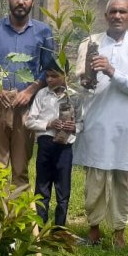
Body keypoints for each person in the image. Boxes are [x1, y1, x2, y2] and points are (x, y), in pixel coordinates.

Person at [73, 0, 128, 248]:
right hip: (97, 123)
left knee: (126, 181)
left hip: (127, 125)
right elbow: (82, 85)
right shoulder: (90, 43)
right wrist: (86, 79)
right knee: (95, 181)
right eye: (112, 11)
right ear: (105, 15)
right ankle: (93, 229)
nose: (117, 16)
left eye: (123, 12)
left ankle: (119, 232)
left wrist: (112, 71)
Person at [0, 0, 55, 192]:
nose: (21, 1)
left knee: (20, 167)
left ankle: (17, 221)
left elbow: (49, 70)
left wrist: (30, 91)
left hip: (25, 106)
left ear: (33, 0)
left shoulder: (43, 32)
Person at [24, 63, 80, 227]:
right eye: (47, 75)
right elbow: (29, 121)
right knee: (42, 187)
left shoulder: (74, 96)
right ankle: (40, 226)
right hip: (45, 145)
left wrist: (75, 127)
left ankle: (59, 228)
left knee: (63, 189)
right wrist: (48, 124)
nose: (49, 79)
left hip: (65, 148)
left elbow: (83, 122)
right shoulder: (42, 94)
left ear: (65, 75)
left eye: (54, 76)